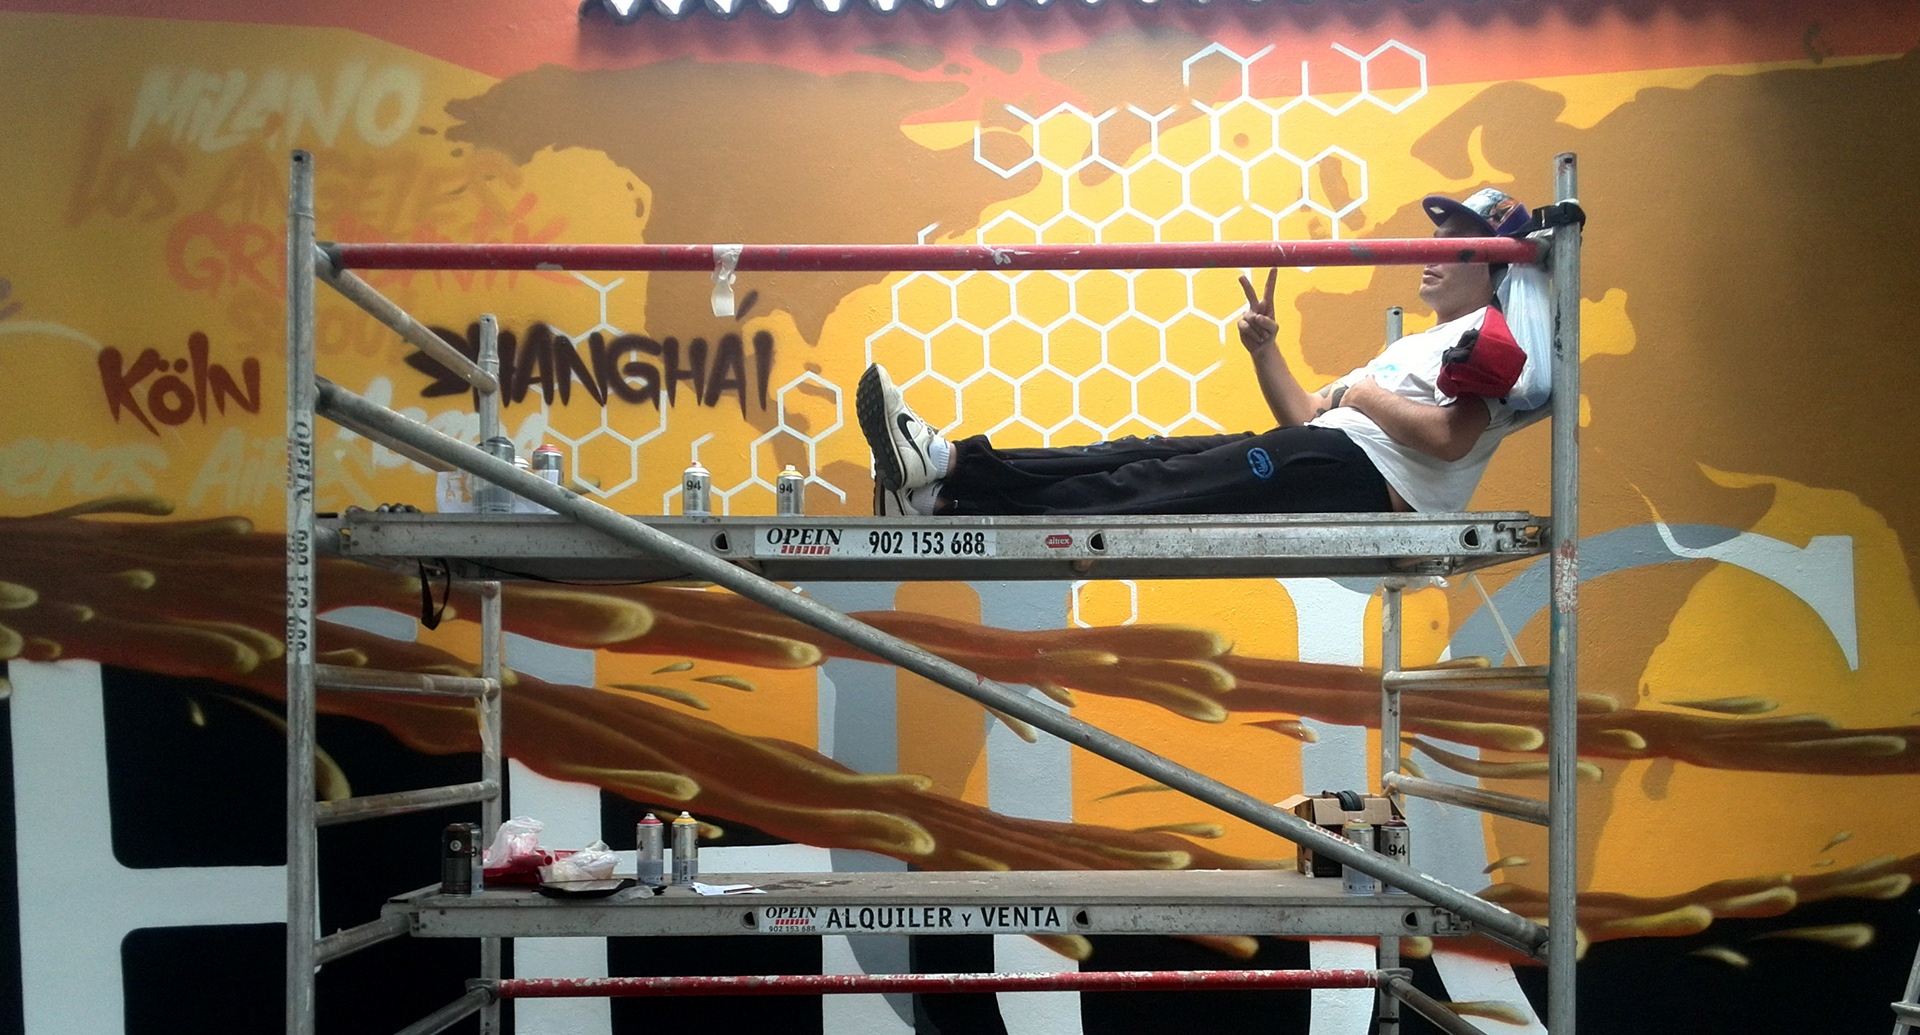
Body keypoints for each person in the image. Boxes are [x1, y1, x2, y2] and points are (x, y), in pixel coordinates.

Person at [858, 188, 1538, 517]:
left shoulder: (1492, 336)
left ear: (1498, 264)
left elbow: (1450, 440)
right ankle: (946, 468)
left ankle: (948, 506)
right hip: (1327, 451)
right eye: (1435, 238)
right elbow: (1306, 411)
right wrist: (1265, 350)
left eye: (1457, 244)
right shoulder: (1419, 343)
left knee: (1157, 484)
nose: (1431, 253)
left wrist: (1357, 394)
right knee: (1138, 454)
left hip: (1365, 479)